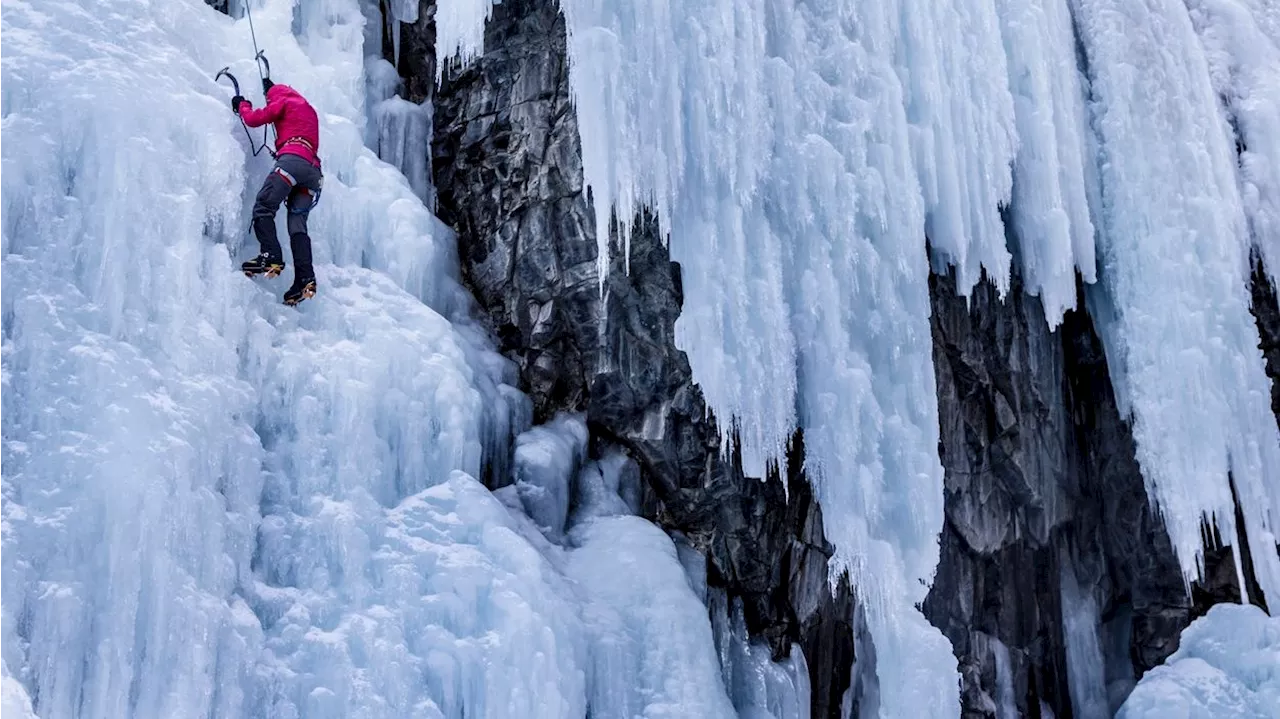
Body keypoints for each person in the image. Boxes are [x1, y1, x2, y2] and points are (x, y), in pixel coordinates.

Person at [231, 77, 323, 305]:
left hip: (292, 162)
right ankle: (305, 278)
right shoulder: (308, 110)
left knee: (264, 206)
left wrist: (242, 105)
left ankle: (271, 255)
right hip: (312, 173)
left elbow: (254, 119)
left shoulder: (282, 100)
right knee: (297, 226)